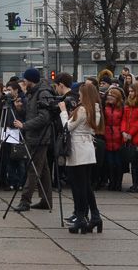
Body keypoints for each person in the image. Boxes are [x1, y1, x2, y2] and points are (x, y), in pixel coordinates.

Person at [60, 81, 104, 234]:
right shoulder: (96, 108)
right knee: (85, 185)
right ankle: (95, 215)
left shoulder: (83, 110)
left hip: (78, 149)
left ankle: (81, 217)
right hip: (88, 149)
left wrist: (63, 111)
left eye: (80, 94)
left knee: (78, 186)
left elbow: (67, 127)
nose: (78, 96)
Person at [12, 67, 54, 212]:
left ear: (30, 80)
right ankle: (46, 200)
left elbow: (44, 117)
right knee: (43, 171)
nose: (23, 82)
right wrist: (19, 109)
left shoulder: (42, 93)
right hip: (35, 136)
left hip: (40, 137)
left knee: (33, 169)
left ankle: (25, 200)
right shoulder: (32, 93)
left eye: (24, 80)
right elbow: (31, 114)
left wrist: (24, 126)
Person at [103, 87, 125, 191]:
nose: (110, 97)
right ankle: (112, 183)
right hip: (108, 136)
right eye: (109, 96)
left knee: (118, 163)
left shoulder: (122, 108)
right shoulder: (105, 107)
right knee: (110, 163)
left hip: (118, 136)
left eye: (112, 96)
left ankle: (118, 183)